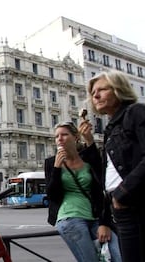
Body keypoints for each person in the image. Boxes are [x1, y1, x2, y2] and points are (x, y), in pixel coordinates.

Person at [87, 70, 145, 262]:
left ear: (119, 90)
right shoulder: (110, 128)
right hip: (121, 208)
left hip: (135, 203)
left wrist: (122, 193)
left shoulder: (136, 112)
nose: (95, 96)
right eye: (93, 92)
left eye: (102, 89)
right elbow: (106, 176)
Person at [45, 121, 121, 262]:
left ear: (75, 137)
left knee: (118, 256)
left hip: (96, 217)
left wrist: (104, 222)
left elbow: (101, 188)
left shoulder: (88, 158)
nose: (59, 139)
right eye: (56, 136)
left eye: (64, 135)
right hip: (70, 219)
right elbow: (52, 195)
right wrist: (56, 168)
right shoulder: (51, 162)